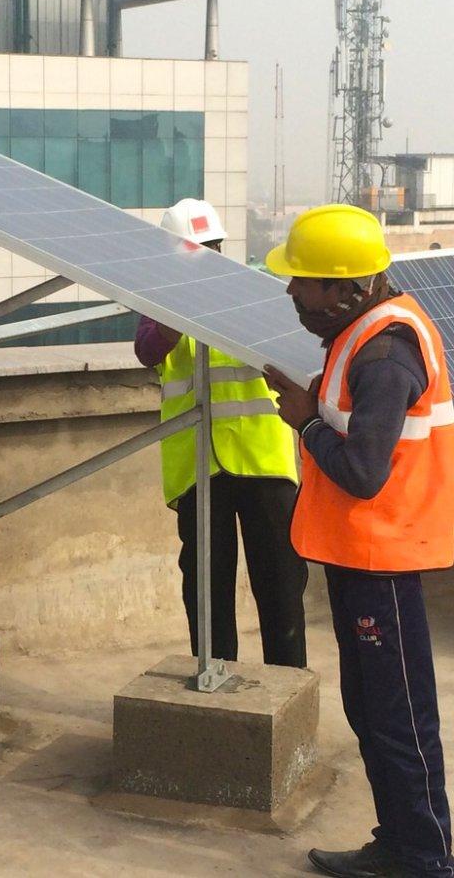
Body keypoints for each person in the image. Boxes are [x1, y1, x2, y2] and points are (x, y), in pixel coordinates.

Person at [263, 204, 454, 878]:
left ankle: (427, 859)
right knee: (373, 711)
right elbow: (356, 424)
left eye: (304, 282)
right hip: (362, 557)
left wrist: (302, 420)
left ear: (343, 287)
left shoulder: (385, 350)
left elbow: (362, 470)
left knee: (398, 719)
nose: (292, 293)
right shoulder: (363, 330)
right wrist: (315, 400)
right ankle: (401, 843)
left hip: (385, 562)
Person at [135, 198, 308, 668]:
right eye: (191, 249)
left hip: (263, 463)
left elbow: (294, 346)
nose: (202, 255)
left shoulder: (254, 293)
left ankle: (287, 682)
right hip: (199, 468)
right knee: (207, 584)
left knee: (280, 580)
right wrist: (179, 306)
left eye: (208, 247)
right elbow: (149, 349)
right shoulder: (159, 304)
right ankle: (215, 675)